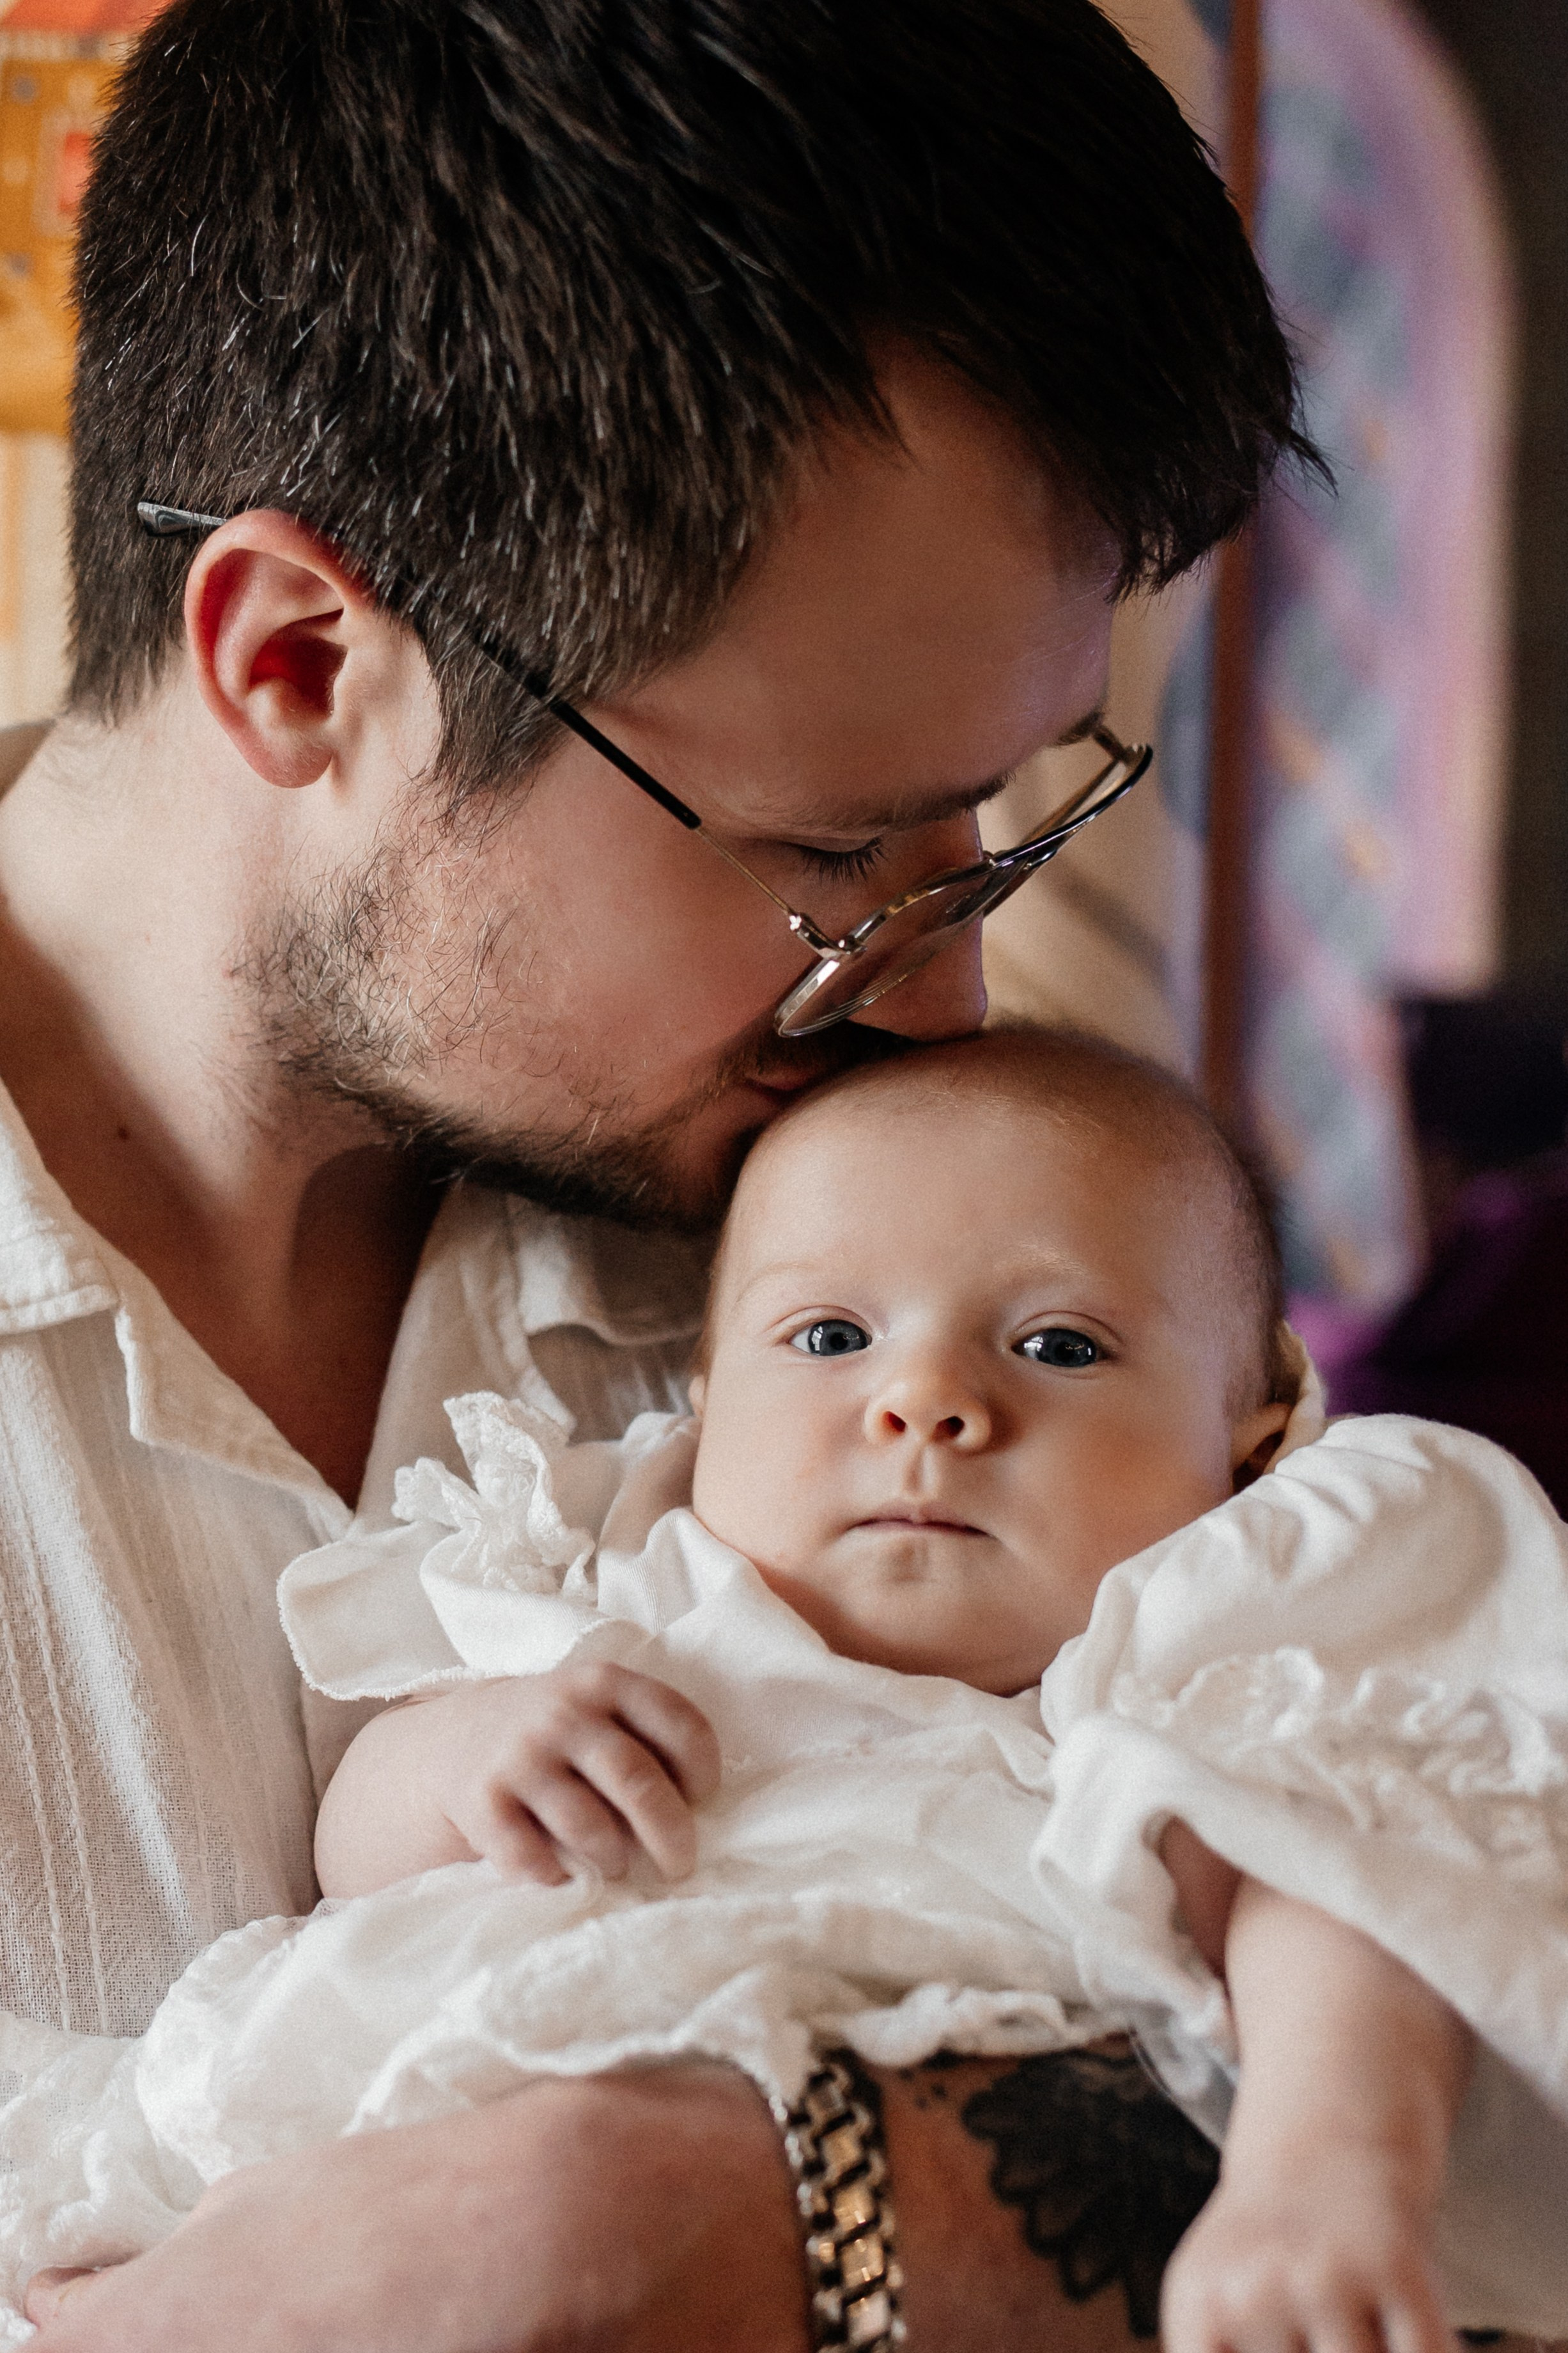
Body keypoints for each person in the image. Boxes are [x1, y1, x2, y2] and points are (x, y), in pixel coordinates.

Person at [0, 0, 1316, 2345]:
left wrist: (702, 2225)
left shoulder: (947, 1252)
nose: (943, 1011)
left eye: (1001, 820)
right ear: (303, 664)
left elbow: (1441, 1952)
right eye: (834, 853)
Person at [6, 1030, 1567, 2353]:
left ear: (1252, 1431)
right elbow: (357, 1861)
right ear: (707, 1392)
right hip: (328, 2207)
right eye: (829, 1336)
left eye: (1059, 1344)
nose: (928, 1402)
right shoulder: (613, 1583)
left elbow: (1349, 1883)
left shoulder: (1185, 1665)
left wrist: (1320, 2171)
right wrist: (476, 1754)